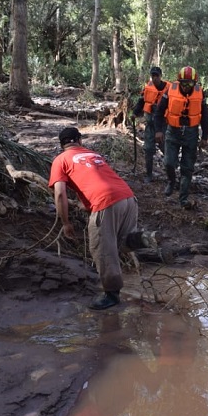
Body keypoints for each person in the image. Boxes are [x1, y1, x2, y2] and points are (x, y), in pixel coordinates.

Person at [49, 127, 156, 310]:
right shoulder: (93, 155)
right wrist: (87, 203)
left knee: (102, 249)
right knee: (120, 243)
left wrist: (66, 222)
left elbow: (59, 195)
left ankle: (111, 294)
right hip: (128, 197)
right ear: (79, 141)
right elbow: (96, 180)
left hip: (105, 203)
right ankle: (142, 238)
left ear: (62, 145)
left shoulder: (60, 160)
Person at [154, 66, 208, 208]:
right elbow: (159, 112)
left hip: (191, 133)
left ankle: (183, 198)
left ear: (194, 83)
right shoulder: (170, 90)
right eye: (183, 83)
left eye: (189, 84)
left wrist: (205, 137)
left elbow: (205, 117)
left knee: (187, 167)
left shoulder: (200, 93)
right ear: (179, 82)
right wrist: (158, 131)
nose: (186, 87)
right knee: (169, 163)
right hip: (173, 131)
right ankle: (172, 181)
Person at [132, 66, 170, 183]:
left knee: (167, 150)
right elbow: (141, 101)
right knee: (148, 150)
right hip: (150, 126)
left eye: (156, 76)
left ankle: (171, 175)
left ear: (160, 76)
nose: (154, 78)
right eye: (152, 76)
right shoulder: (148, 88)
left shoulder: (169, 88)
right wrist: (135, 113)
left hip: (163, 126)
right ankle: (149, 175)